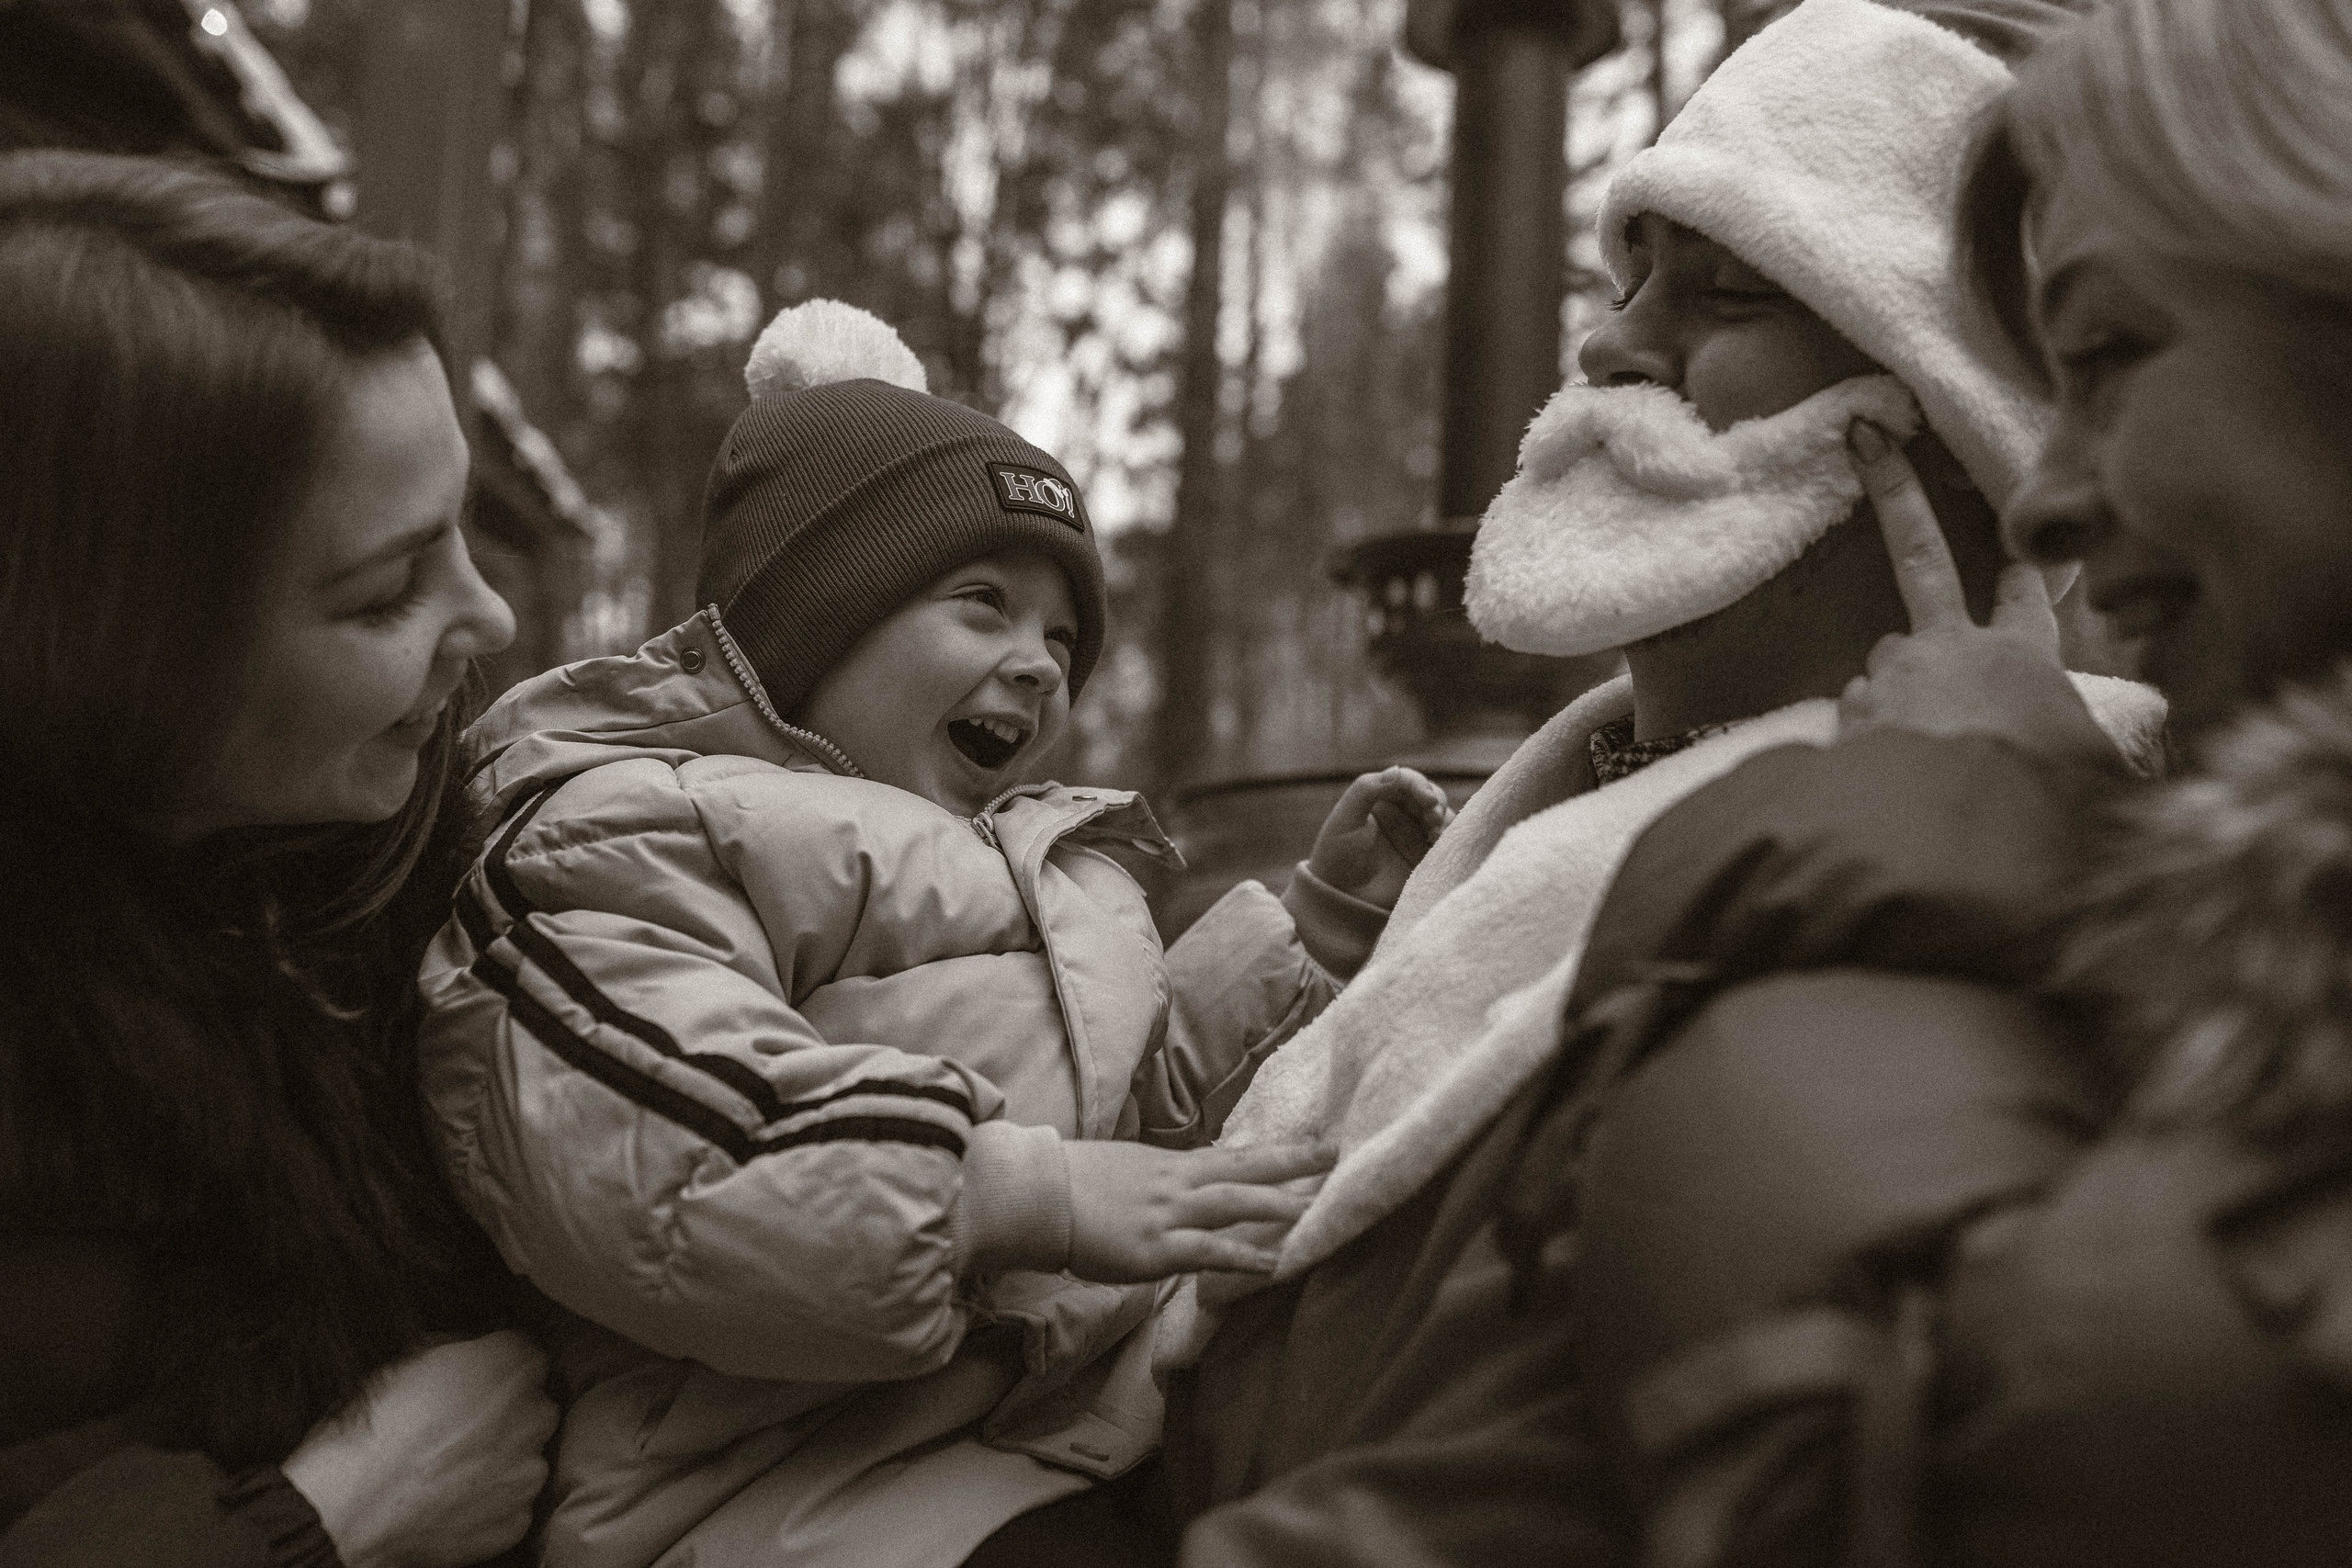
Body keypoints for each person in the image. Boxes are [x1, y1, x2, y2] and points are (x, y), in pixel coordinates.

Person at [1154, 6, 2145, 1562]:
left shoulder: (1912, 908)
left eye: (1728, 290)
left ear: (1951, 421)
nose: (1609, 344)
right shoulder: (1541, 816)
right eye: (1626, 278)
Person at [414, 300, 1451, 1568]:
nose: (1040, 666)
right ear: (815, 620)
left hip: (1032, 1431)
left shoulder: (1021, 862)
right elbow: (662, 1136)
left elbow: (1125, 1098)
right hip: (781, 1496)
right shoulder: (620, 829)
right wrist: (1015, 1192)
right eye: (982, 606)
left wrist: (1311, 934)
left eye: (1063, 638)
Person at [1533, 0, 2352, 1562]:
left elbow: (2019, 1437)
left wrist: (1950, 817)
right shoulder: (2218, 892)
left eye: (2103, 352)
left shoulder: (1970, 831)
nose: (2046, 492)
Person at [0, 152, 556, 1568]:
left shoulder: (408, 880)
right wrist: (327, 1519)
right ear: (120, 649)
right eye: (386, 589)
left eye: (466, 532)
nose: (487, 613)